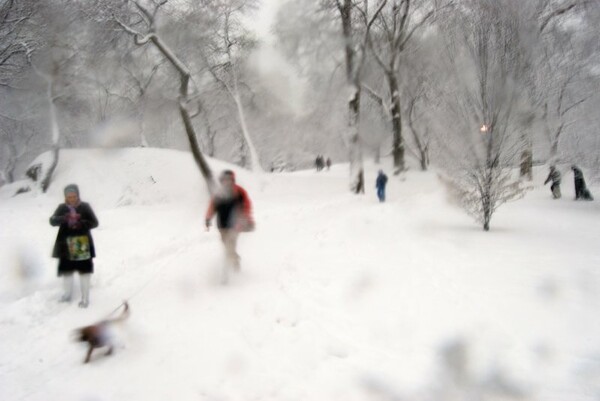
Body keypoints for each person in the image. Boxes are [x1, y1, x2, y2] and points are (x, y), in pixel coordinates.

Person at [50, 184, 99, 308]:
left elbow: (94, 223)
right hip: (65, 244)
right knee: (67, 271)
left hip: (81, 243)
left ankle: (85, 298)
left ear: (78, 195)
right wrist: (64, 218)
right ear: (65, 197)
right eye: (69, 196)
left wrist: (81, 222)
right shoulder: (62, 208)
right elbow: (52, 221)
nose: (72, 198)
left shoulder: (85, 207)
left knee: (84, 272)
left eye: (74, 196)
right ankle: (67, 295)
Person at [205, 170, 254, 274]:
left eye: (229, 179)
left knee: (230, 246)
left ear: (232, 180)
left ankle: (227, 272)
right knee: (227, 246)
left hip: (235, 225)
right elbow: (212, 207)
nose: (227, 182)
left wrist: (246, 219)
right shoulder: (219, 193)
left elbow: (246, 206)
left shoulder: (239, 192)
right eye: (224, 180)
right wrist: (208, 218)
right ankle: (235, 261)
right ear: (221, 181)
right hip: (222, 226)